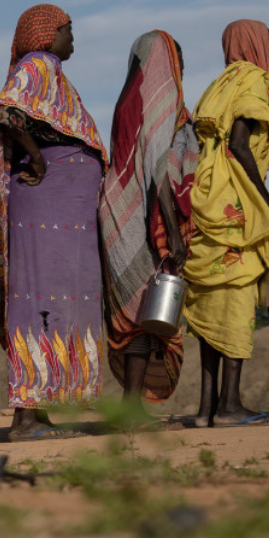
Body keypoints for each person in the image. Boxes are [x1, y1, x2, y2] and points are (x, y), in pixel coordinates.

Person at [0, 4, 104, 441]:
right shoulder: (37, 65)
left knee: (55, 302)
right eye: (67, 31)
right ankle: (24, 418)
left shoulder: (50, 70)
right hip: (47, 204)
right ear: (46, 34)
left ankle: (39, 412)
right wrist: (37, 158)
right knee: (39, 298)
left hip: (60, 209)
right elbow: (7, 112)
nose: (72, 40)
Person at [183, 19, 269, 427]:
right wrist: (266, 205)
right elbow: (241, 144)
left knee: (210, 307)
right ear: (255, 46)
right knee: (237, 305)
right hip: (236, 211)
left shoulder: (217, 85)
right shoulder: (253, 80)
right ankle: (230, 406)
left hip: (206, 201)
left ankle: (207, 408)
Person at [99, 29, 196, 419]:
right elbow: (158, 169)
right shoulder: (162, 101)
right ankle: (130, 410)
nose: (180, 69)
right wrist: (172, 232)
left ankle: (131, 406)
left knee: (139, 310)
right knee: (144, 312)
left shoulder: (128, 101)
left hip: (117, 209)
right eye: (176, 60)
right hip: (142, 214)